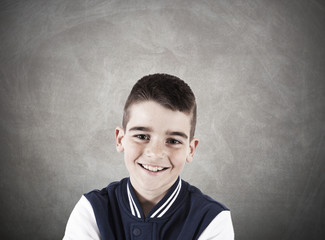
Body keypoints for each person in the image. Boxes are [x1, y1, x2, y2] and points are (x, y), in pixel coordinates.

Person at [63, 73, 234, 239]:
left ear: (190, 149)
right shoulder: (91, 211)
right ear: (120, 139)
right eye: (142, 136)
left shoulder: (213, 220)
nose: (155, 153)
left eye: (173, 141)